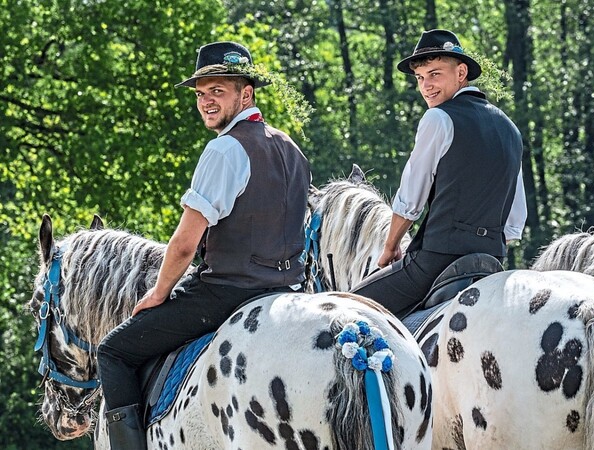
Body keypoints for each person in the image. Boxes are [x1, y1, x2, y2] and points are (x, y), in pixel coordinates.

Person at [96, 41, 311, 449]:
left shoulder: (224, 149)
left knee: (114, 351)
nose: (206, 102)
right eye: (200, 93)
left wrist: (159, 293)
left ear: (245, 93)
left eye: (218, 91)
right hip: (287, 291)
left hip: (226, 293)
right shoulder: (292, 149)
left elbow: (183, 245)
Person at [352, 29, 527, 318]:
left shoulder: (438, 118)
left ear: (461, 73)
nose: (426, 86)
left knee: (345, 310)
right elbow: (514, 223)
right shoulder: (511, 129)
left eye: (435, 74)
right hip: (492, 262)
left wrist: (390, 247)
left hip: (437, 262)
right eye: (420, 78)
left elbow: (410, 201)